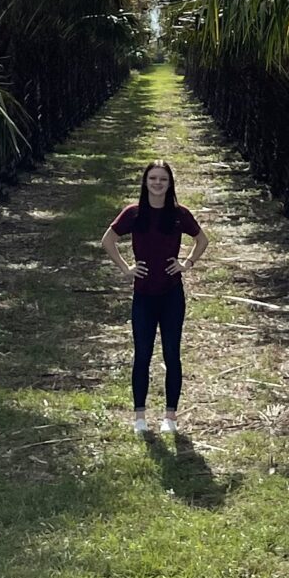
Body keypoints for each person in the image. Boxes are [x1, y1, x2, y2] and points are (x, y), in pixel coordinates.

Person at [99, 159, 208, 433]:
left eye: (163, 179)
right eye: (153, 179)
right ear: (145, 183)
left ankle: (170, 417)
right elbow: (108, 240)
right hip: (143, 295)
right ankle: (139, 417)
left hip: (172, 294)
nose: (157, 183)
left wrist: (187, 263)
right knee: (142, 354)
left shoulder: (179, 214)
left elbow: (202, 240)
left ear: (170, 184)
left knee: (172, 353)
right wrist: (126, 268)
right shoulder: (134, 214)